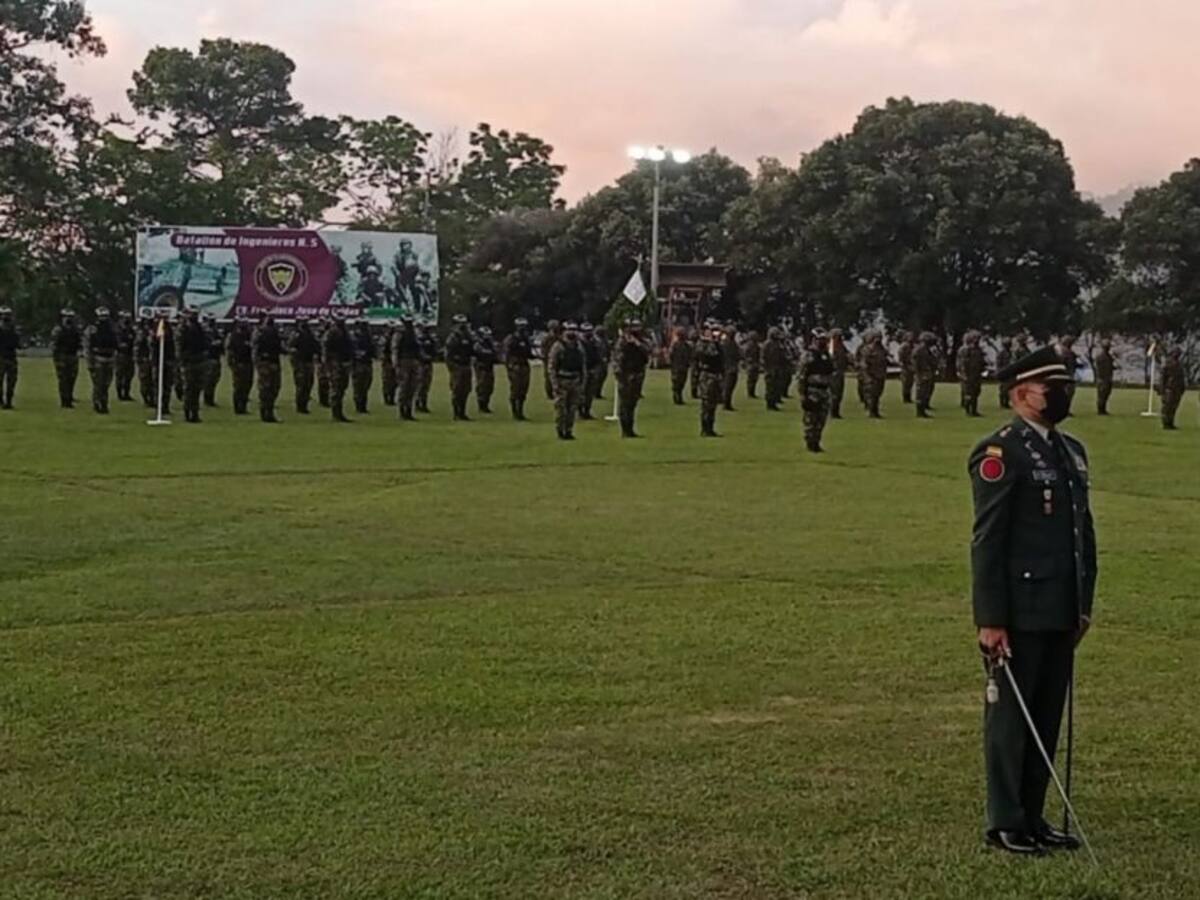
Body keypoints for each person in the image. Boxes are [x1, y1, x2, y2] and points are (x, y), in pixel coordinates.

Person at [969, 346, 1096, 856]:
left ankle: (1035, 815)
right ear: (1021, 393)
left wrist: (1083, 602)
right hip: (1019, 608)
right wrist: (991, 618)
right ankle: (1006, 820)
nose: (1062, 395)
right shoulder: (1001, 453)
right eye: (1052, 387)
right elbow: (988, 540)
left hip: (1061, 606)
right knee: (1011, 720)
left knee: (1045, 715)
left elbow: (1080, 533)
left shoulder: (1070, 450)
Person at [614, 318, 652, 438]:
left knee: (632, 404)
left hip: (637, 374)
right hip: (626, 375)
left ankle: (630, 429)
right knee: (624, 404)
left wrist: (637, 343)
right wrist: (620, 376)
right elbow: (618, 359)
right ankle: (625, 429)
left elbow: (648, 351)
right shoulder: (622, 342)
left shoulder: (641, 341)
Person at [798, 328, 834, 453]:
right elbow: (802, 376)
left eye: (824, 340)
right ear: (814, 339)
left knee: (822, 419)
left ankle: (817, 442)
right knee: (811, 419)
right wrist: (803, 394)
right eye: (820, 339)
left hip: (824, 391)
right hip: (812, 390)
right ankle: (810, 443)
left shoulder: (826, 355)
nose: (823, 342)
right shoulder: (808, 355)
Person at [548, 321, 586, 440]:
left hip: (575, 380)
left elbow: (582, 366)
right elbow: (552, 366)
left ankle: (569, 430)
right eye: (569, 329)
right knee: (561, 409)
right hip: (562, 380)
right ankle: (560, 430)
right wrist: (554, 384)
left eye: (574, 329)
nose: (572, 332)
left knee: (572, 409)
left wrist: (582, 382)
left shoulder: (578, 346)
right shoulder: (558, 346)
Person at [174, 308, 208, 423]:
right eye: (192, 314)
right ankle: (188, 413)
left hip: (199, 361)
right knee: (188, 389)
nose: (194, 316)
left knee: (197, 389)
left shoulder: (200, 328)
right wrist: (183, 361)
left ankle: (195, 413)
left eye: (195, 314)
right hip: (188, 363)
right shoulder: (182, 329)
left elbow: (204, 343)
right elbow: (179, 347)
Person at [85, 307, 118, 415]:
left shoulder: (112, 328)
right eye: (101, 316)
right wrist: (90, 362)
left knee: (106, 384)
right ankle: (97, 403)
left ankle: (104, 403)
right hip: (98, 358)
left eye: (105, 316)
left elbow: (116, 344)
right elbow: (88, 346)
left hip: (110, 358)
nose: (104, 319)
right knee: (98, 384)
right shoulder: (92, 329)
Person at [695, 321, 726, 437]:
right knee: (707, 403)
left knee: (713, 404)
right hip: (707, 375)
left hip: (716, 375)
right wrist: (711, 342)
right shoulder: (703, 343)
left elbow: (721, 359)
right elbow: (707, 355)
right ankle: (705, 428)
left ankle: (710, 428)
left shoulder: (718, 344)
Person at [252, 315, 284, 423]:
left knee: (274, 388)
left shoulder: (274, 332)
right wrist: (257, 362)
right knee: (266, 389)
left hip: (274, 362)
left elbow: (279, 347)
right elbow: (255, 349)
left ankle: (268, 411)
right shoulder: (260, 333)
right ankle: (265, 413)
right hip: (264, 362)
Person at [321, 317, 353, 422]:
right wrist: (327, 363)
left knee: (342, 387)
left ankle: (339, 412)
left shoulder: (345, 332)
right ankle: (335, 413)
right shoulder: (332, 332)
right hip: (335, 363)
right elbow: (325, 348)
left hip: (344, 362)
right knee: (336, 387)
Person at [390, 316, 421, 421]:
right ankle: (402, 411)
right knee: (404, 387)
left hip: (414, 362)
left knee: (412, 387)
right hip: (404, 362)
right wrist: (396, 364)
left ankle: (409, 410)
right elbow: (395, 349)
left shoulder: (414, 333)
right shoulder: (400, 333)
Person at [444, 314, 474, 421]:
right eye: (460, 323)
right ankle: (456, 413)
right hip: (457, 366)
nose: (463, 326)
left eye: (464, 323)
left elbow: (472, 350)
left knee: (466, 390)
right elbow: (448, 355)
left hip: (466, 365)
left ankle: (462, 412)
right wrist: (452, 368)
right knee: (457, 390)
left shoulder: (468, 336)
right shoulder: (453, 337)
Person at [50, 309, 82, 409]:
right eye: (66, 317)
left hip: (72, 356)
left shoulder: (75, 330)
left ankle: (70, 396)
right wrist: (57, 359)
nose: (68, 319)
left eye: (70, 317)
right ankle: (64, 400)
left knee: (72, 378)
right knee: (63, 379)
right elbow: (54, 346)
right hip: (62, 356)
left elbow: (79, 343)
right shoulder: (58, 330)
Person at [288, 317, 320, 415]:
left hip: (309, 361)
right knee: (301, 384)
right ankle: (300, 405)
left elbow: (316, 346)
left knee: (309, 383)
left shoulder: (310, 334)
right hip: (300, 362)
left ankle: (305, 404)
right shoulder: (296, 334)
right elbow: (291, 347)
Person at [503, 318, 533, 420]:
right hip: (515, 366)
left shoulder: (526, 339)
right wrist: (508, 367)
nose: (523, 328)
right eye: (521, 326)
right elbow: (506, 354)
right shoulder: (511, 339)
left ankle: (520, 411)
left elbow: (529, 353)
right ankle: (515, 412)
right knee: (515, 389)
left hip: (524, 365)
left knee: (524, 389)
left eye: (524, 326)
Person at [225, 317, 254, 416]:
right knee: (238, 386)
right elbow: (229, 351)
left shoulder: (249, 335)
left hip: (248, 363)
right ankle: (238, 407)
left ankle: (243, 406)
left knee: (247, 385)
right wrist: (232, 364)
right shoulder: (234, 336)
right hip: (238, 363)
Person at [152, 312, 177, 416]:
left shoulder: (170, 330)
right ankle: (159, 406)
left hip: (169, 360)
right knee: (159, 385)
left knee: (167, 385)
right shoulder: (155, 329)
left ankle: (165, 406)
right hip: (158, 361)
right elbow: (153, 344)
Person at [350, 319, 376, 414]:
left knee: (366, 385)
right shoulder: (354, 336)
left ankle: (363, 405)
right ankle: (359, 406)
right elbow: (352, 349)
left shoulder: (368, 337)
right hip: (358, 363)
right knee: (358, 385)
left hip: (367, 363)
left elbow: (373, 349)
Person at [958, 331, 986, 417]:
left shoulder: (978, 350)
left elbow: (981, 362)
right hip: (968, 375)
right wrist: (964, 375)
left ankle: (974, 410)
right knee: (968, 393)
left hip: (976, 375)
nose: (977, 340)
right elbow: (963, 363)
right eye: (975, 338)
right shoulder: (965, 349)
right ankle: (968, 410)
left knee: (976, 392)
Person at [861, 331, 889, 418]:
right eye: (877, 337)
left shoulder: (882, 349)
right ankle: (872, 412)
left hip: (880, 375)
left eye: (880, 337)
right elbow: (864, 363)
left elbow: (885, 359)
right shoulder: (867, 349)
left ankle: (875, 411)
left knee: (878, 394)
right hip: (871, 375)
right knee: (872, 394)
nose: (879, 339)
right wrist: (867, 375)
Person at [760, 326, 787, 411]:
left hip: (777, 367)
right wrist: (765, 367)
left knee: (776, 386)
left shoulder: (777, 344)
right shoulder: (767, 344)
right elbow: (763, 357)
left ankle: (774, 402)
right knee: (770, 387)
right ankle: (770, 403)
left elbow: (781, 355)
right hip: (769, 368)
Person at [1158, 347, 1186, 430]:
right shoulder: (1168, 363)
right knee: (1167, 407)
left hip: (1177, 389)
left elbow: (1182, 378)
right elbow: (1163, 377)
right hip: (1169, 389)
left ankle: (1171, 423)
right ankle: (1166, 423)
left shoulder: (1179, 364)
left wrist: (1182, 388)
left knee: (1174, 407)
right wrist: (1162, 389)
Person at [473, 326, 498, 414]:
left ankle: (486, 405)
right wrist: (490, 352)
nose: (487, 337)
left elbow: (495, 352)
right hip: (481, 367)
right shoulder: (478, 344)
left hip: (489, 367)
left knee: (489, 386)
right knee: (482, 386)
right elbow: (481, 352)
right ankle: (481, 405)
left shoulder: (490, 343)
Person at [577, 323, 600, 420]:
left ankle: (587, 410)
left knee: (590, 392)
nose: (589, 333)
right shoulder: (578, 343)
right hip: (582, 370)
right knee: (581, 392)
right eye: (586, 331)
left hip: (592, 369)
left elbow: (597, 355)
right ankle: (580, 411)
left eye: (590, 331)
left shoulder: (594, 342)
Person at [826, 329, 850, 419]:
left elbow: (847, 356)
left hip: (840, 372)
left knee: (839, 393)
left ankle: (836, 411)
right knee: (833, 394)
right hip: (833, 373)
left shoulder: (841, 347)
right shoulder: (830, 347)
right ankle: (832, 412)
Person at [914, 332, 939, 418]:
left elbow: (932, 361)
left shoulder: (928, 350)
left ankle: (923, 410)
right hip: (922, 374)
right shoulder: (919, 350)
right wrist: (919, 374)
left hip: (928, 373)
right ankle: (919, 412)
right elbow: (916, 363)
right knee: (921, 393)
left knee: (926, 392)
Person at [0, 306, 20, 409]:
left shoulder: (14, 329)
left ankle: (9, 401)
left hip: (11, 358)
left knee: (12, 381)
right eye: (4, 314)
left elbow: (18, 344)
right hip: (1, 357)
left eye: (8, 315)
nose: (6, 317)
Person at [201, 315, 223, 407]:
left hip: (215, 357)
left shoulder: (215, 331)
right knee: (209, 380)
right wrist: (213, 344)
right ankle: (208, 399)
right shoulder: (204, 331)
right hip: (209, 358)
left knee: (214, 379)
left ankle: (210, 398)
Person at [415, 322, 438, 414]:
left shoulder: (431, 339)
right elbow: (418, 351)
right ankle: (417, 403)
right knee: (420, 384)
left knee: (426, 385)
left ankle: (423, 403)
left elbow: (434, 350)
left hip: (428, 364)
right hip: (421, 363)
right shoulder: (418, 339)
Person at [668, 326, 693, 405]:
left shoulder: (687, 345)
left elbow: (690, 355)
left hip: (683, 366)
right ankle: (676, 397)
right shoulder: (675, 345)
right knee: (677, 383)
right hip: (677, 366)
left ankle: (679, 396)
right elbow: (671, 355)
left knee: (682, 382)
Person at [114, 311, 136, 402]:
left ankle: (126, 393)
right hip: (120, 355)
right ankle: (120, 394)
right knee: (120, 375)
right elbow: (117, 342)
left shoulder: (131, 329)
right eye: (125, 318)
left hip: (130, 355)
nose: (127, 320)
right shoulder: (117, 329)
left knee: (129, 375)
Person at [135, 317, 155, 407]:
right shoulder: (141, 334)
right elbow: (137, 347)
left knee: (153, 381)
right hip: (144, 359)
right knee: (145, 380)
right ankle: (146, 399)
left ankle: (152, 398)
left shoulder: (153, 333)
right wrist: (139, 359)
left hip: (153, 360)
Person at [1058, 336, 1082, 410]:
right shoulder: (1066, 352)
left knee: (1068, 393)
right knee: (1068, 393)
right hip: (1067, 375)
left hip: (1067, 374)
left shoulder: (1064, 351)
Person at [720, 324, 741, 412]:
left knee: (729, 387)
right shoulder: (727, 344)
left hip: (730, 367)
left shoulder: (730, 343)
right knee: (728, 387)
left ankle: (726, 403)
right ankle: (726, 404)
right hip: (728, 367)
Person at [540, 320, 561, 400]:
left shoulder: (559, 337)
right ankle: (549, 394)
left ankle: (556, 392)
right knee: (548, 377)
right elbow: (543, 349)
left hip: (558, 359)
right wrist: (545, 357)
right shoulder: (547, 338)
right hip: (548, 359)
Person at [1092, 339, 1114, 416]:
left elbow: (1110, 366)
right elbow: (1100, 368)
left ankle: (1103, 409)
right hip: (1102, 378)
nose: (1108, 348)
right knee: (1101, 394)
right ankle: (1100, 410)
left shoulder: (1109, 357)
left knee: (1106, 394)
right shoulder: (1100, 356)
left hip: (1108, 378)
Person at [379, 324, 397, 407]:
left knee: (394, 381)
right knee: (387, 381)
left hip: (393, 361)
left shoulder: (396, 338)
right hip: (387, 362)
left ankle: (392, 398)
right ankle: (387, 398)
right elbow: (382, 350)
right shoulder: (385, 338)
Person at [592, 322, 611, 401]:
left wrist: (608, 358)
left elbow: (608, 350)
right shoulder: (594, 340)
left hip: (604, 362)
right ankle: (594, 393)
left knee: (603, 377)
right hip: (597, 362)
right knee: (596, 378)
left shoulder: (605, 340)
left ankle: (598, 392)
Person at [741, 329, 762, 399]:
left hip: (756, 363)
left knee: (755, 378)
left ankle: (752, 392)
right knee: (750, 378)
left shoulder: (757, 346)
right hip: (750, 363)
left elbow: (759, 354)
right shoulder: (748, 346)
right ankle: (750, 392)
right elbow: (745, 354)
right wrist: (746, 361)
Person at [995, 338, 1014, 410]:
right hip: (1003, 372)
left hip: (1009, 372)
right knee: (1003, 389)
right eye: (1008, 344)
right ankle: (1002, 403)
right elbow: (998, 363)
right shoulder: (1001, 352)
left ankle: (1006, 402)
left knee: (1008, 388)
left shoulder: (1011, 352)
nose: (1009, 345)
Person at [897, 331, 916, 404]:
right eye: (910, 336)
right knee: (906, 383)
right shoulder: (904, 346)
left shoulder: (913, 346)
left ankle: (908, 397)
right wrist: (902, 363)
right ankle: (905, 397)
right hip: (905, 366)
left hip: (911, 366)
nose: (911, 338)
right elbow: (900, 355)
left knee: (910, 382)